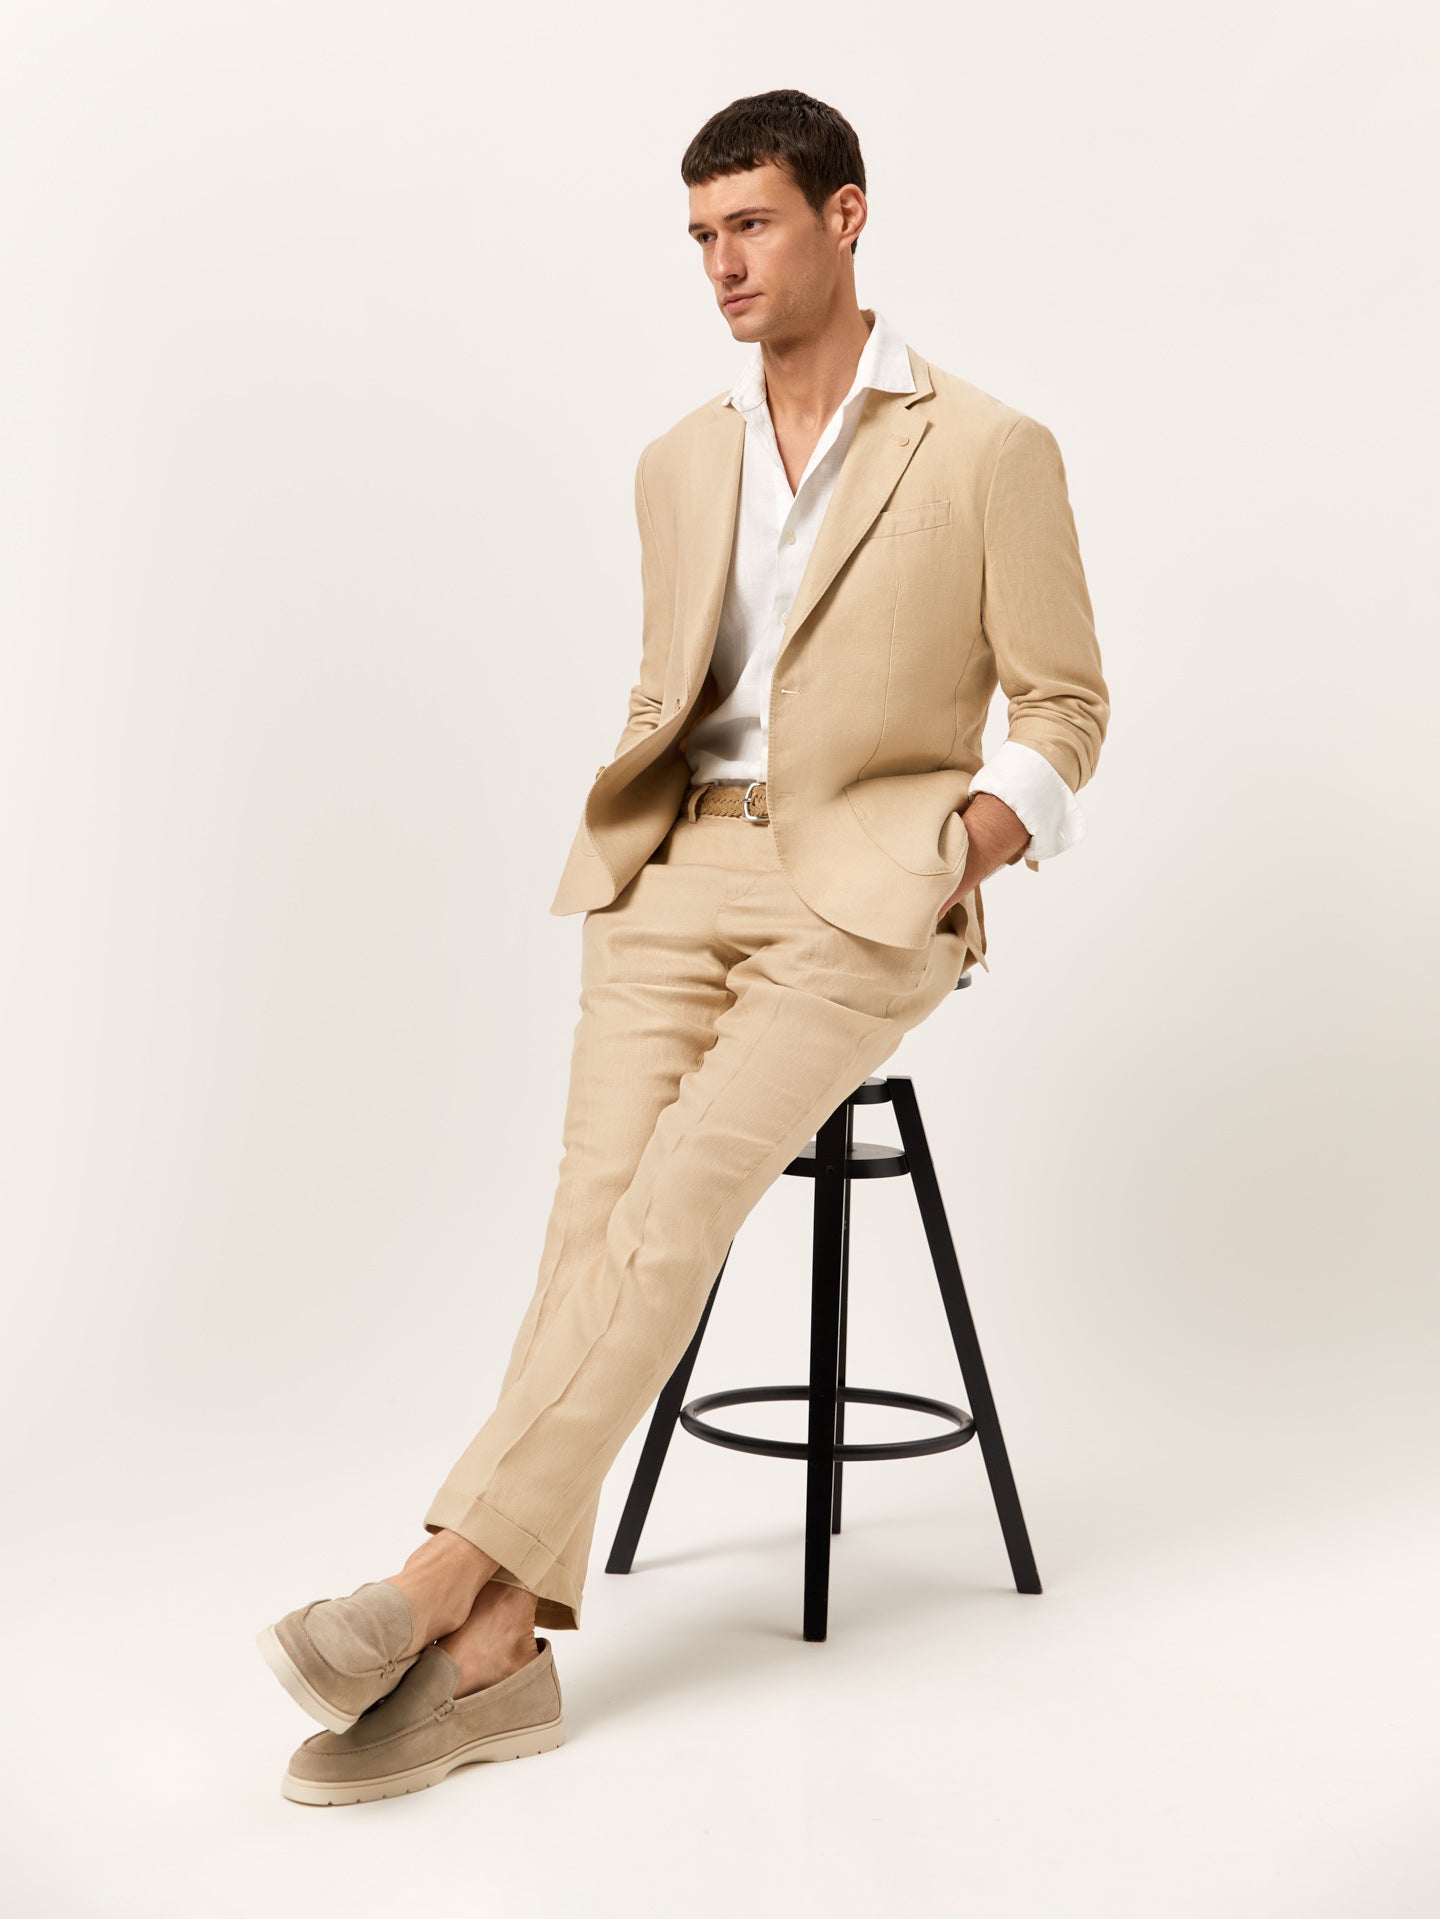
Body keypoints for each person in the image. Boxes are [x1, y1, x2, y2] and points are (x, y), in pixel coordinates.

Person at [257, 87, 1110, 1805]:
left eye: (755, 225)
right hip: (666, 879)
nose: (724, 263)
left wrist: (960, 854)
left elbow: (1068, 707)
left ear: (846, 217)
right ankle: (497, 1657)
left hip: (862, 894)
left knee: (672, 1212)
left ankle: (432, 1583)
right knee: (589, 1231)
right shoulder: (674, 461)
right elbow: (683, 693)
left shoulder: (987, 447)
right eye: (704, 236)